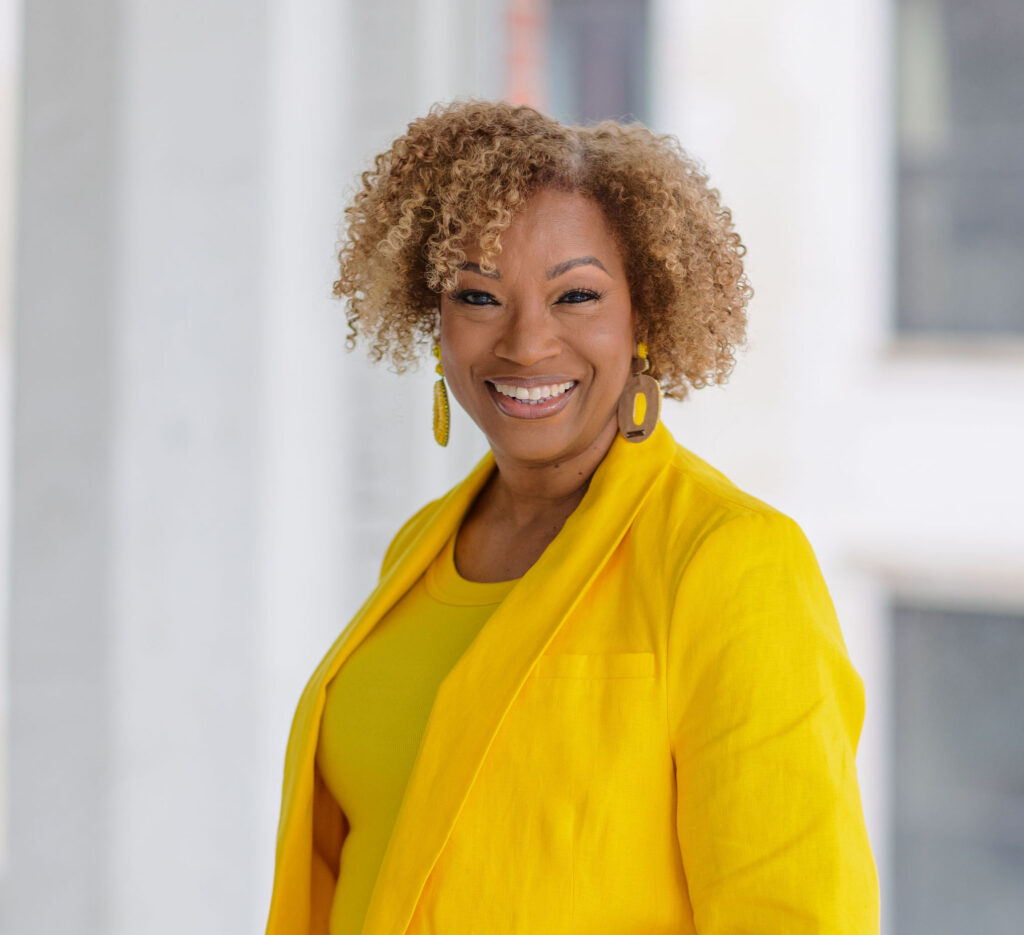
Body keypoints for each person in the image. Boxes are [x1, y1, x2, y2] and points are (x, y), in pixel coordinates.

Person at [265, 100, 879, 935]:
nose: (526, 343)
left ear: (645, 318)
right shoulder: (421, 548)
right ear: (434, 320)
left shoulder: (731, 560)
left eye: (576, 294)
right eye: (479, 295)